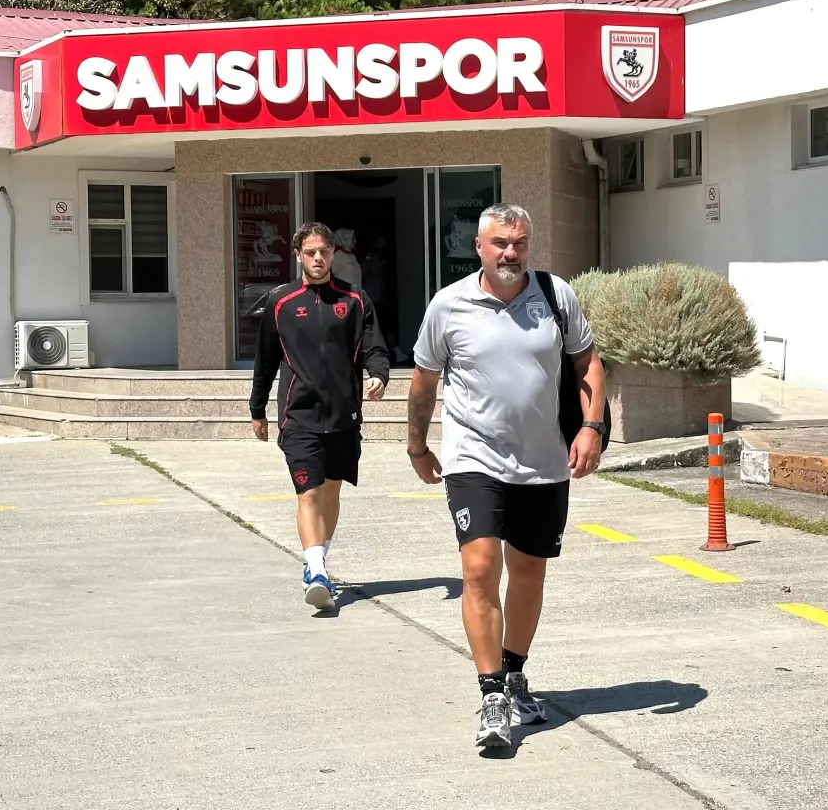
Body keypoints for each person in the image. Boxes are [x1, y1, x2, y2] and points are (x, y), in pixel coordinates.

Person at [405, 203, 607, 749]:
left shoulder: (556, 295)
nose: (510, 253)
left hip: (544, 460)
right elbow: (423, 382)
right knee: (479, 567)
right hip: (473, 457)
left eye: (518, 243)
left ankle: (515, 673)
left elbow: (587, 362)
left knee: (529, 571)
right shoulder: (449, 305)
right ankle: (491, 692)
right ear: (479, 247)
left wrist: (590, 427)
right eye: (499, 243)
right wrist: (417, 445)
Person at [250, 221, 390, 612]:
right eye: (310, 253)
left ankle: (317, 560)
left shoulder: (355, 299)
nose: (317, 259)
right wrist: (257, 409)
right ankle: (316, 571)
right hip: (299, 416)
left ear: (332, 254)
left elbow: (374, 346)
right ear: (298, 256)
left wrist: (379, 375)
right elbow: (265, 361)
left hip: (344, 416)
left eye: (323, 252)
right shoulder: (280, 302)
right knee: (308, 493)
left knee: (331, 492)